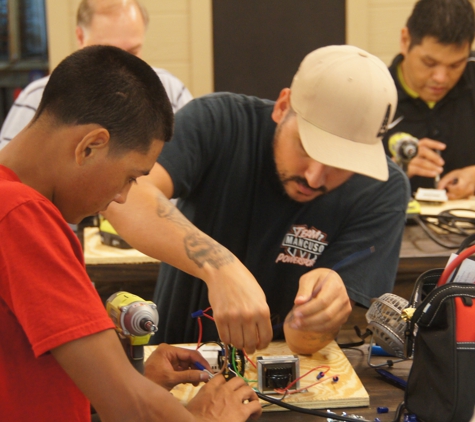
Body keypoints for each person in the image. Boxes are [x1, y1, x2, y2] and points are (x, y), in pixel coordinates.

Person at [0, 45, 261, 422]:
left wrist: (134, 377)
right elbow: (129, 407)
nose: (121, 197)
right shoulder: (21, 215)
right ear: (91, 145)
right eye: (130, 177)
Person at [104, 45, 410, 355]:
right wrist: (220, 268)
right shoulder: (218, 123)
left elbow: (306, 343)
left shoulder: (382, 191)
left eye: (340, 164)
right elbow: (123, 197)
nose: (315, 177)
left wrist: (318, 318)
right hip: (177, 364)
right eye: (306, 147)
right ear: (282, 106)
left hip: (292, 382)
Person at [0, 0, 192, 149]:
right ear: (80, 37)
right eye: (110, 54)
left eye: (133, 52)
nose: (123, 68)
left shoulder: (171, 92)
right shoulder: (39, 98)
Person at [383, 0, 475, 199]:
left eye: (455, 65)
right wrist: (394, 172)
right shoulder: (372, 95)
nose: (441, 78)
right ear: (405, 40)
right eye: (429, 62)